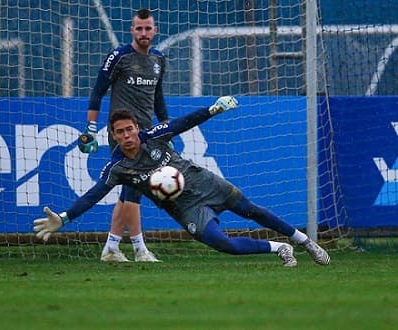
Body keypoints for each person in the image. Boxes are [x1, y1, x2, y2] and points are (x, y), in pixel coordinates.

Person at [34, 96, 331, 267]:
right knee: (221, 244)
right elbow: (94, 194)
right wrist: (64, 217)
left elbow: (182, 123)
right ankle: (279, 248)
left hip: (205, 183)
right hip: (186, 209)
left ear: (137, 128)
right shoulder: (118, 168)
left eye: (129, 129)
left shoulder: (155, 136)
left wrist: (212, 110)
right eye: (119, 132)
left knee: (251, 210)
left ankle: (305, 242)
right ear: (112, 135)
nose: (126, 136)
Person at [78, 9, 168, 262]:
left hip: (146, 135)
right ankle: (139, 249)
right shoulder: (119, 56)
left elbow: (158, 99)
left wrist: (166, 128)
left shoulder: (159, 60)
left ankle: (112, 248)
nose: (143, 33)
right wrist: (91, 129)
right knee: (133, 188)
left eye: (147, 28)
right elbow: (97, 92)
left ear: (155, 30)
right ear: (132, 30)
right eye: (138, 28)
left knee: (130, 189)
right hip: (122, 135)